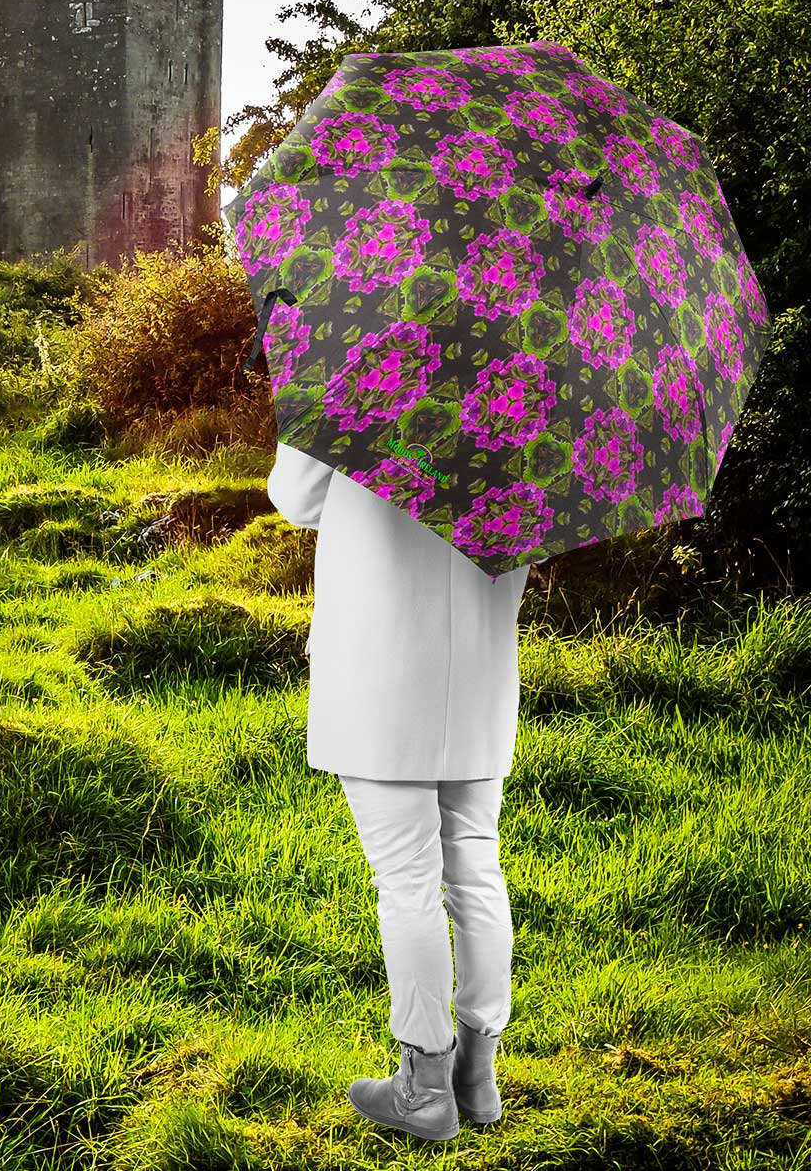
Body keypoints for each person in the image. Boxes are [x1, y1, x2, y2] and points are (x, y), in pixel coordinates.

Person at [265, 440, 533, 1142]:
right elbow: (532, 543)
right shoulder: (527, 402)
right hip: (477, 666)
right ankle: (478, 1071)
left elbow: (293, 496)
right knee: (475, 862)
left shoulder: (359, 372)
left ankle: (425, 1084)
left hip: (381, 660)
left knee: (407, 878)